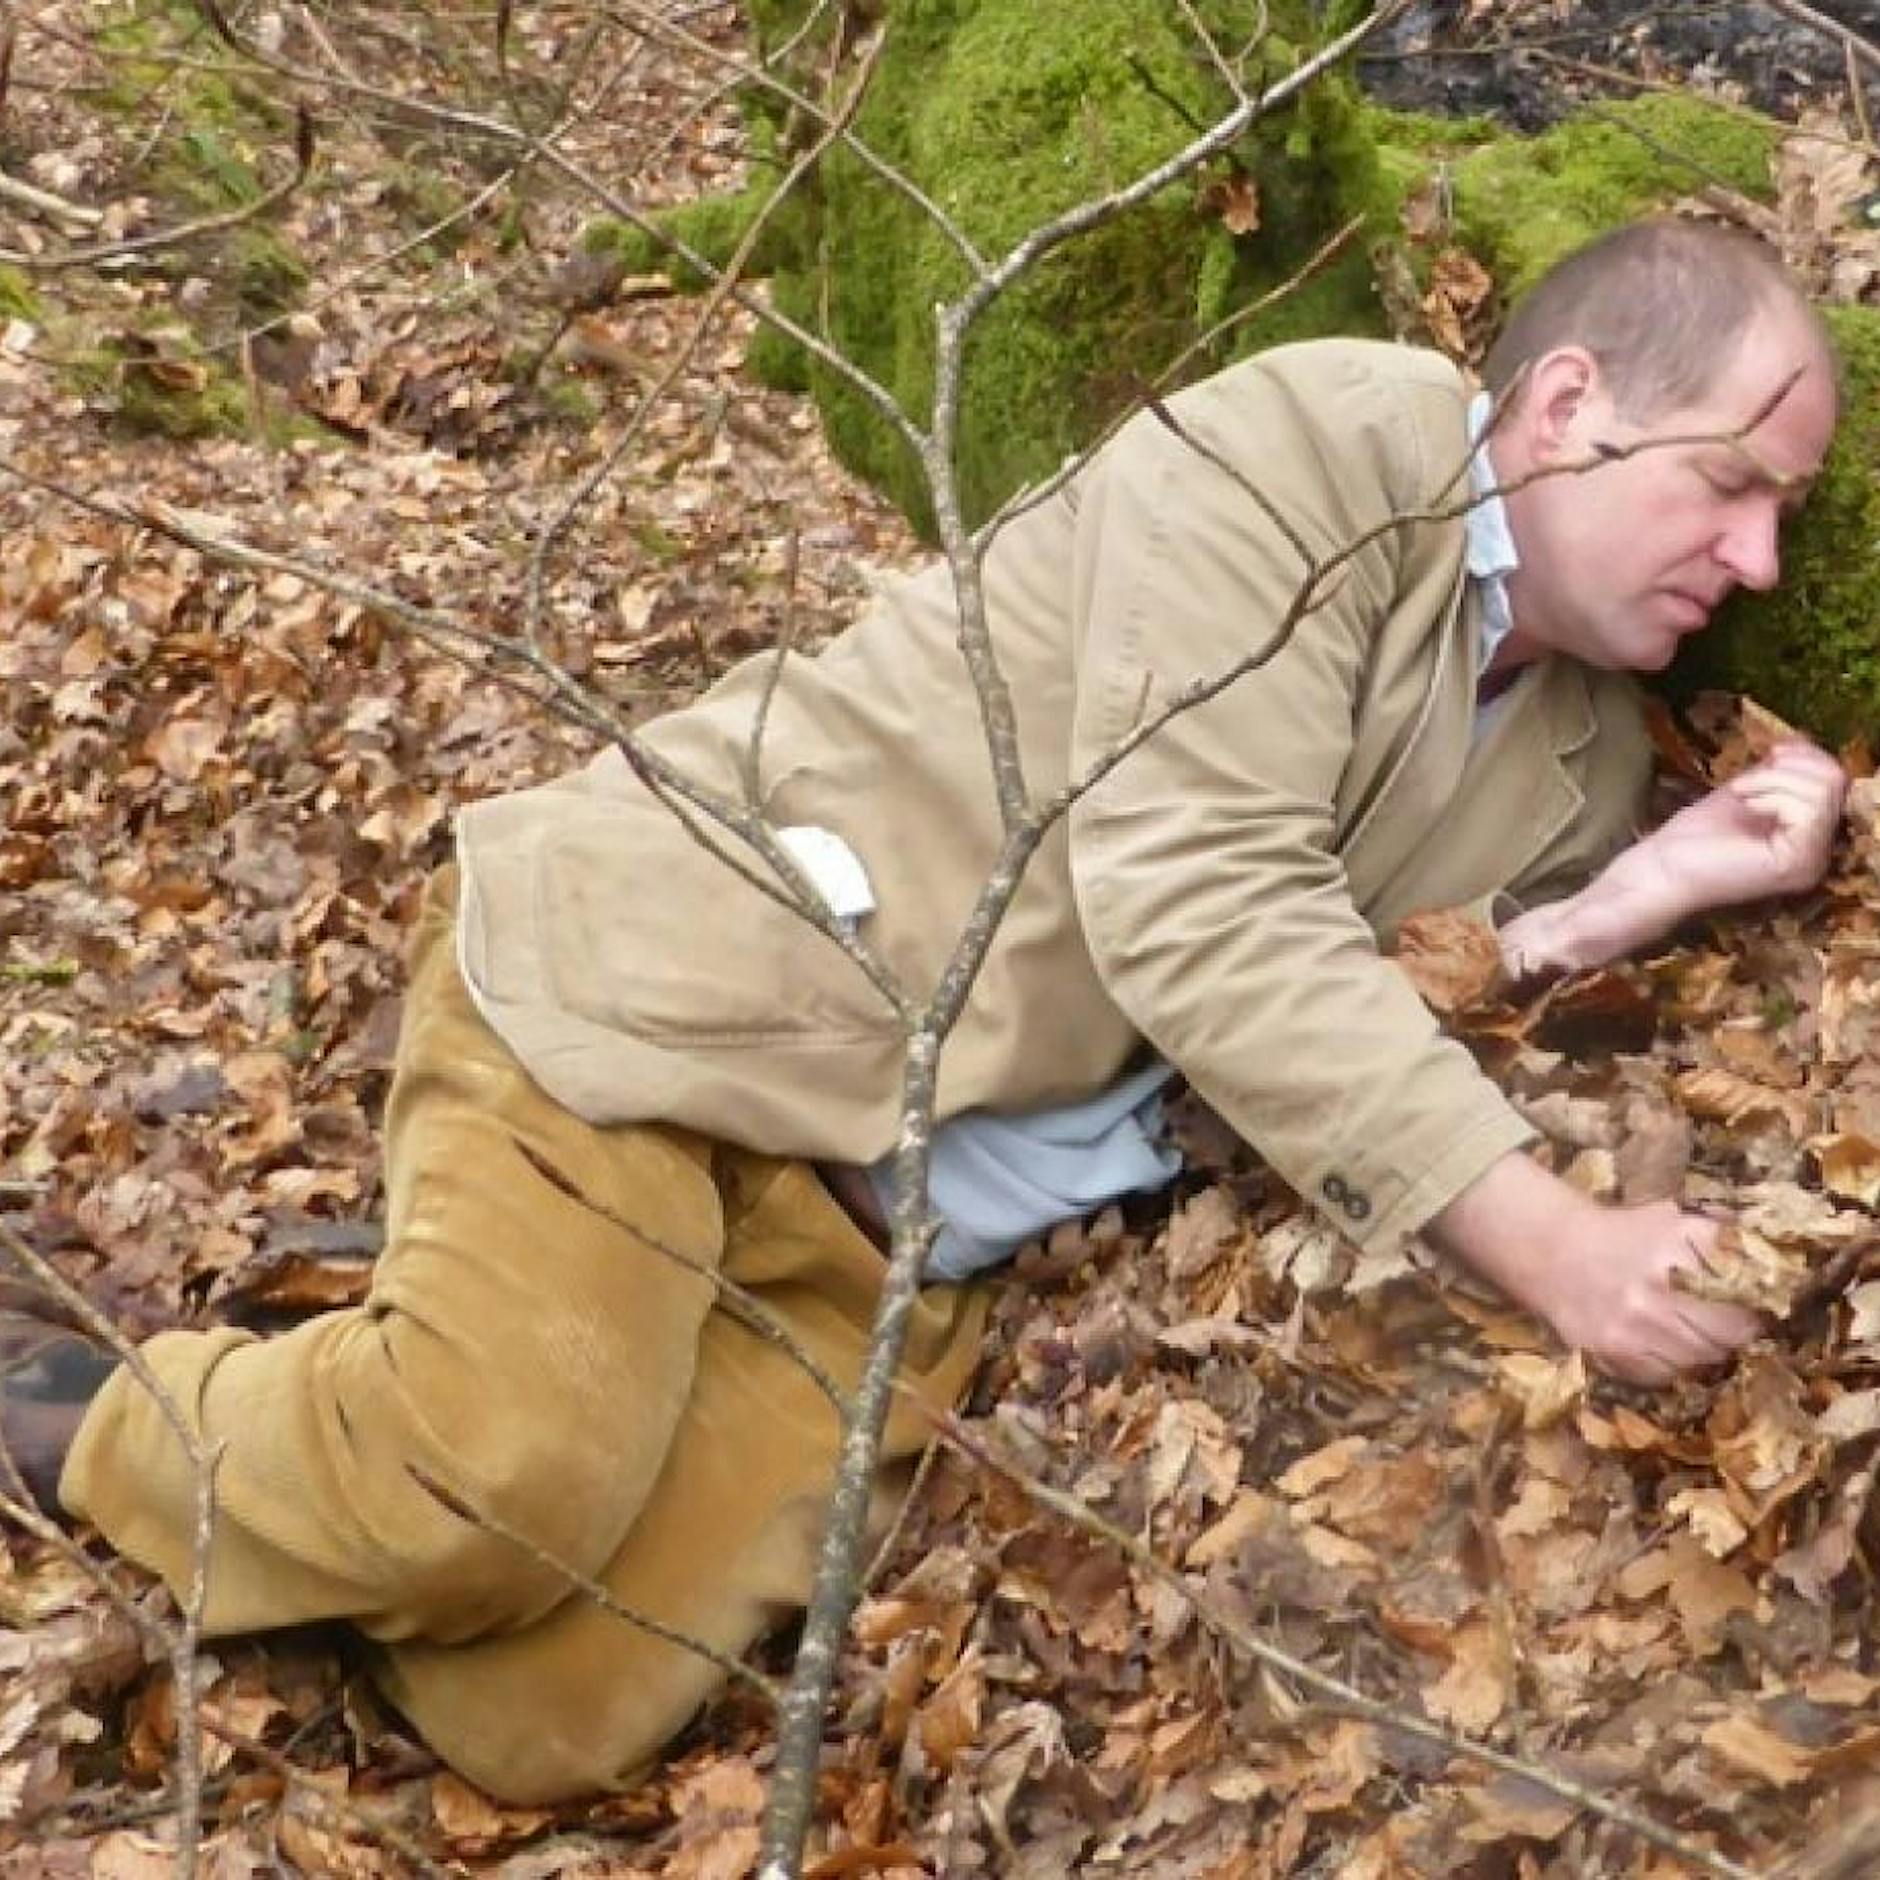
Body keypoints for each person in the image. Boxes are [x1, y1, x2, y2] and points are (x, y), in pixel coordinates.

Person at [0, 218, 1846, 1802]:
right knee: (477, 1489)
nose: (1759, 564)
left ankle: (376, 1390)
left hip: (880, 1236)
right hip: (677, 1007)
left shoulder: (1585, 761)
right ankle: (79, 1406)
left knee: (543, 1718)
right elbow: (1205, 902)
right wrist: (1553, 1245)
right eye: (1732, 487)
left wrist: (1628, 904)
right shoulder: (1329, 448)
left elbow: (1359, 1012)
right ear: (1569, 405)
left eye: (1789, 517)